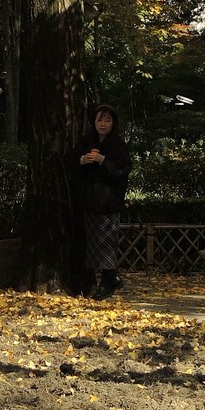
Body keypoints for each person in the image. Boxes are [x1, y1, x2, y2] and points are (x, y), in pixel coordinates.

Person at [73, 105, 132, 300]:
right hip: (89, 200)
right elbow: (71, 161)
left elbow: (122, 169)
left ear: (113, 123)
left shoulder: (118, 145)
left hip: (109, 201)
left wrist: (102, 160)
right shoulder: (86, 141)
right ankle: (109, 279)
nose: (103, 124)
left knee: (107, 242)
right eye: (100, 120)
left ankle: (108, 281)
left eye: (107, 120)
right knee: (94, 242)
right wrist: (83, 160)